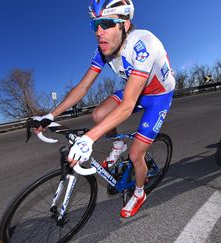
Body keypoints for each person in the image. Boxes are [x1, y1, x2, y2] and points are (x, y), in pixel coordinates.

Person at [33, 0, 175, 218]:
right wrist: (50, 115)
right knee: (99, 114)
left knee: (137, 154)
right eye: (95, 25)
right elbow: (82, 87)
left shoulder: (144, 44)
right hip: (135, 89)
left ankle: (139, 193)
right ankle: (117, 146)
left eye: (107, 24)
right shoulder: (103, 50)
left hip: (157, 96)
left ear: (124, 25)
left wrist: (88, 139)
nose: (99, 32)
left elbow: (128, 105)